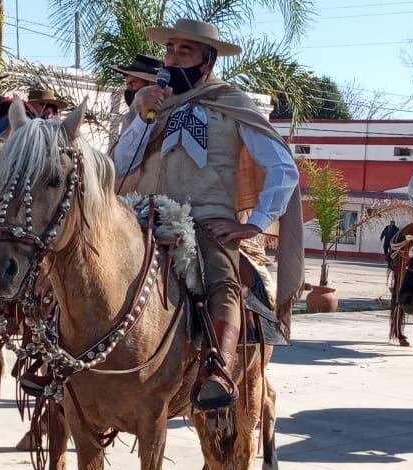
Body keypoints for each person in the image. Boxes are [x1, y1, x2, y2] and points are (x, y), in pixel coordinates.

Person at [107, 18, 303, 412]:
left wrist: (253, 223)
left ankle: (218, 367)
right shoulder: (150, 103)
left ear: (207, 62)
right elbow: (120, 166)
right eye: (170, 49)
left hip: (208, 218)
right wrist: (140, 118)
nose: (173, 57)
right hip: (144, 213)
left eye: (186, 51)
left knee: (223, 278)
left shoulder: (230, 103)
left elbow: (283, 168)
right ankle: (56, 354)